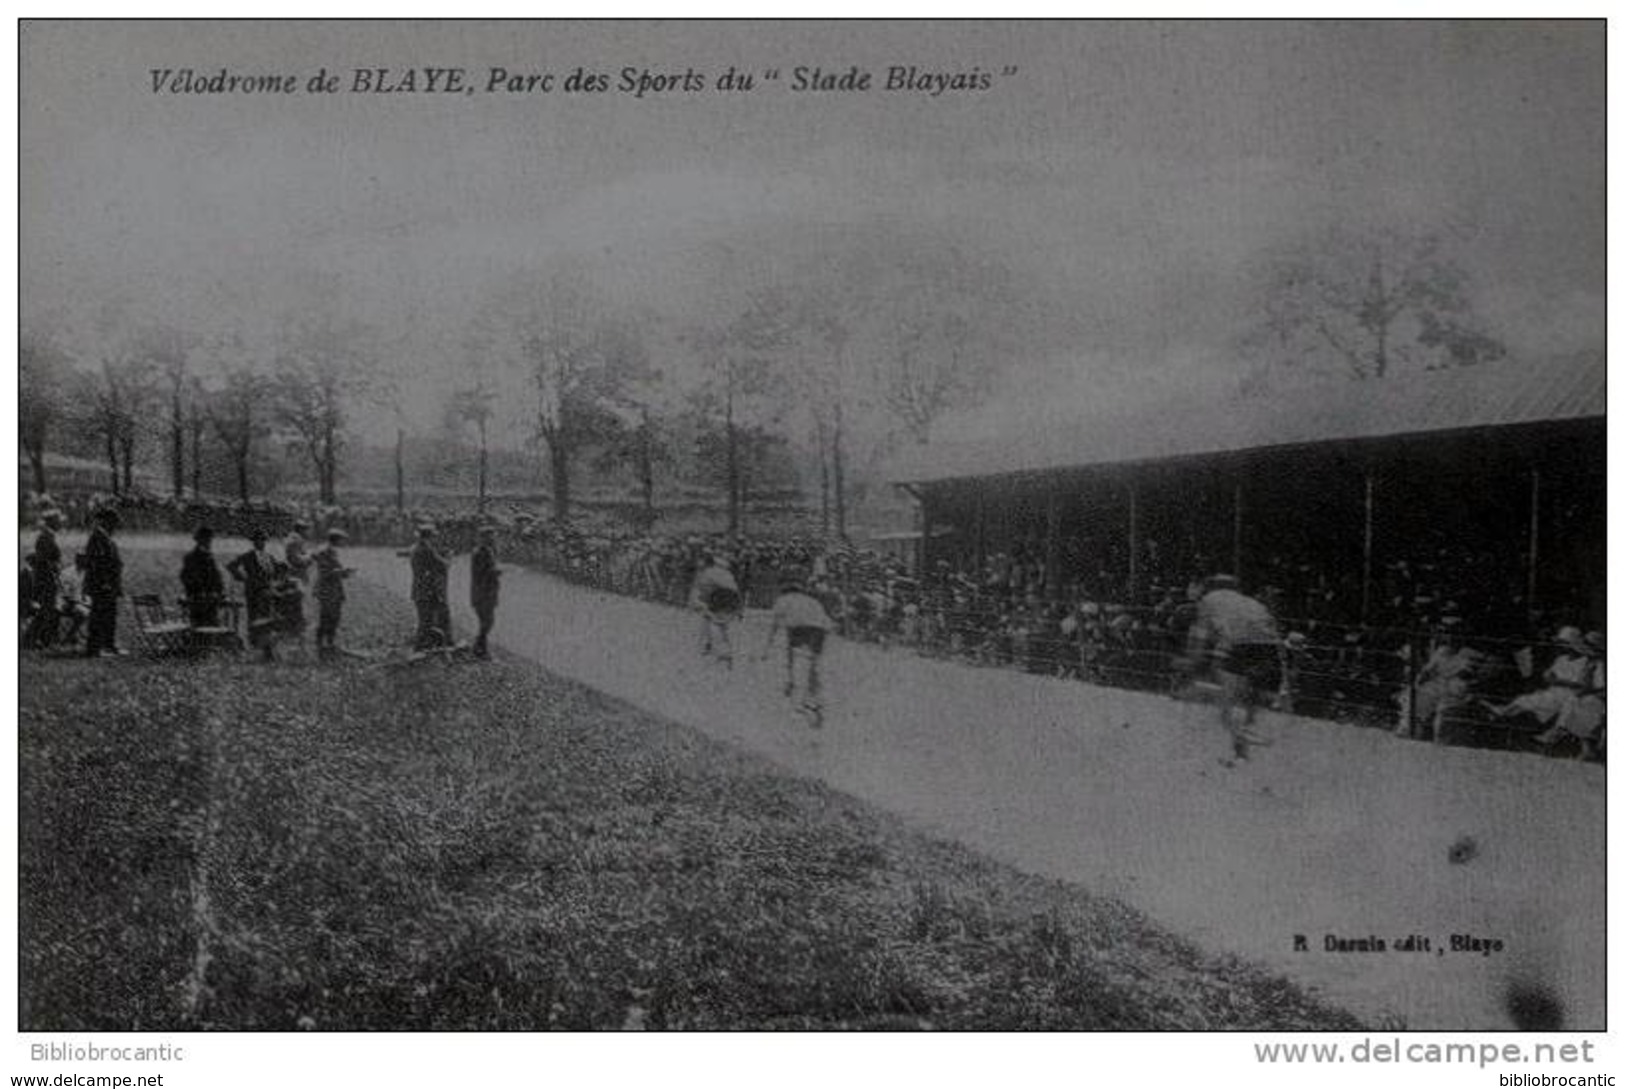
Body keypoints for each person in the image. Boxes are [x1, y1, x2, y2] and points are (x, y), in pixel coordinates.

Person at [1186, 573, 1283, 763]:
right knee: (1249, 699)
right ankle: (1247, 735)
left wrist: (1191, 662)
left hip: (1241, 645)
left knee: (1228, 701)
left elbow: (1199, 637)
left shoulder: (1209, 600)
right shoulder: (1249, 602)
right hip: (1269, 647)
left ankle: (1241, 744)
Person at [760, 570, 834, 723]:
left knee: (799, 666)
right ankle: (815, 700)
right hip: (820, 632)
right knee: (813, 666)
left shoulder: (783, 600)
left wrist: (765, 649)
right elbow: (826, 622)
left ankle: (798, 705)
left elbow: (773, 627)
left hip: (801, 630)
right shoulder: (812, 600)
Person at [227, 527, 279, 660]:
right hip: (253, 592)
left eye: (263, 540)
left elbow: (277, 570)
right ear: (254, 541)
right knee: (254, 618)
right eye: (258, 540)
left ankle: (265, 646)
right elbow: (231, 566)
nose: (261, 542)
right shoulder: (248, 556)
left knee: (267, 618)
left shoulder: (269, 556)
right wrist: (242, 577)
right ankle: (254, 644)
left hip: (267, 592)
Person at [82, 507, 124, 657]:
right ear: (106, 521)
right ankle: (95, 648)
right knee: (98, 616)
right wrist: (105, 582)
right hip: (102, 585)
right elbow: (98, 563)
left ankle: (108, 644)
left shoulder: (104, 536)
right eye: (114, 522)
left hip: (109, 584)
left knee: (109, 615)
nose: (116, 526)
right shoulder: (98, 537)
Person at [689, 551, 741, 666]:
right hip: (729, 600)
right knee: (712, 622)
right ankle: (709, 645)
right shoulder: (723, 572)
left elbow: (701, 591)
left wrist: (697, 604)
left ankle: (723, 654)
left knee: (715, 625)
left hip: (721, 600)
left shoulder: (707, 573)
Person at [24, 508, 64, 648]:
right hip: (46, 578)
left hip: (46, 577)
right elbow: (44, 560)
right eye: (58, 521)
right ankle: (33, 639)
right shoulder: (47, 536)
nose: (61, 523)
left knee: (47, 609)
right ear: (52, 521)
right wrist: (54, 569)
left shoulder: (47, 535)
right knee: (46, 609)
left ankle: (37, 639)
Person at [312, 528, 354, 658]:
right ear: (336, 539)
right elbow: (326, 573)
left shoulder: (332, 551)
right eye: (342, 540)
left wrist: (345, 573)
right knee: (326, 617)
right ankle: (321, 645)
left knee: (334, 617)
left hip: (334, 589)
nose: (343, 543)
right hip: (327, 590)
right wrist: (342, 572)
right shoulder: (324, 551)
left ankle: (330, 644)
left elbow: (334, 571)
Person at [410, 524, 452, 650]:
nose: (435, 539)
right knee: (426, 622)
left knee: (426, 621)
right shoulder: (427, 549)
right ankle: (419, 649)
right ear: (428, 537)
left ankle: (425, 647)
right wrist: (449, 557)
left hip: (422, 589)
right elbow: (443, 565)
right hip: (427, 591)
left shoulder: (417, 547)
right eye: (434, 536)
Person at [180, 526, 225, 628]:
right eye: (207, 539)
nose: (210, 542)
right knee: (202, 627)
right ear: (200, 540)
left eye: (210, 539)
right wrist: (202, 592)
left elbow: (217, 577)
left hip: (210, 600)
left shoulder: (209, 557)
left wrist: (219, 591)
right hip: (198, 601)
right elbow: (187, 578)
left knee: (213, 624)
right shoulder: (191, 557)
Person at [470, 524, 502, 659]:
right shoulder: (481, 552)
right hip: (483, 592)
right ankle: (480, 648)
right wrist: (497, 571)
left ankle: (480, 647)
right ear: (485, 538)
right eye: (492, 536)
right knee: (487, 621)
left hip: (486, 591)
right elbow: (482, 572)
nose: (494, 538)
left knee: (487, 621)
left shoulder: (486, 551)